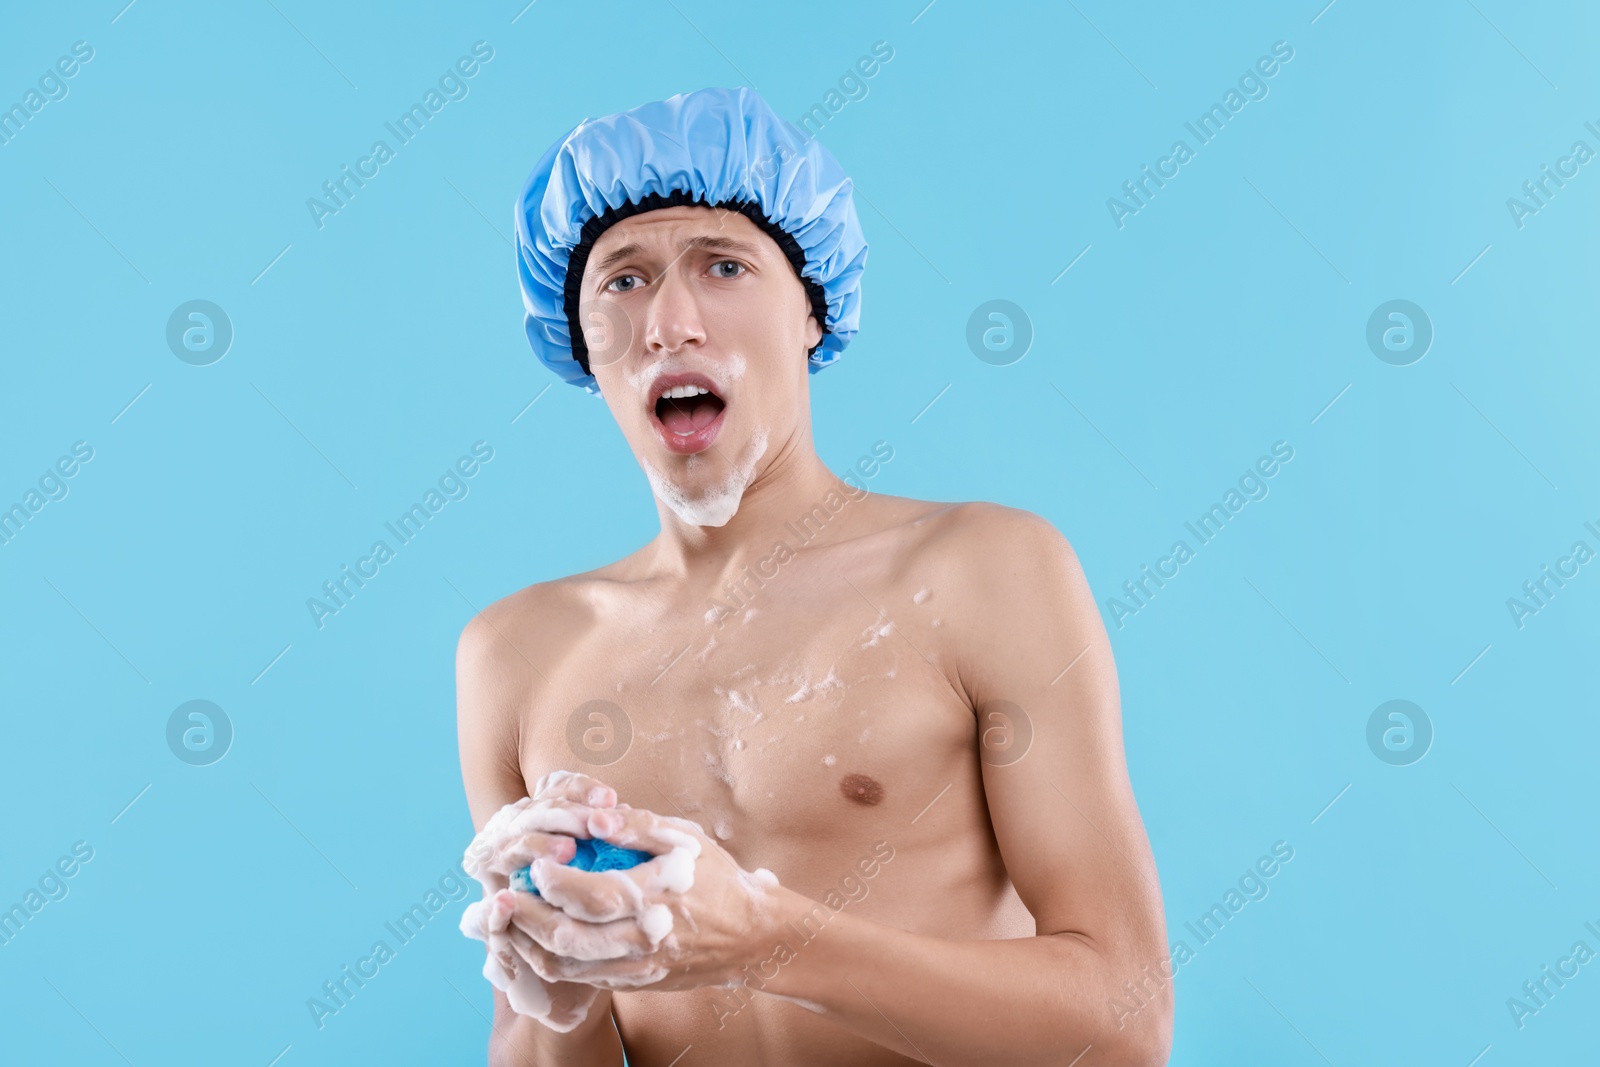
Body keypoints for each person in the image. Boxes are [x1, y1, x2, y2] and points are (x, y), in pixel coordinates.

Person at [455, 86, 1172, 1066]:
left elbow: (1126, 1020)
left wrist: (768, 937)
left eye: (723, 265)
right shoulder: (516, 652)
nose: (669, 320)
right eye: (621, 280)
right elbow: (542, 1047)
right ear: (582, 343)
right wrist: (558, 998)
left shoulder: (985, 573)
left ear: (811, 310)